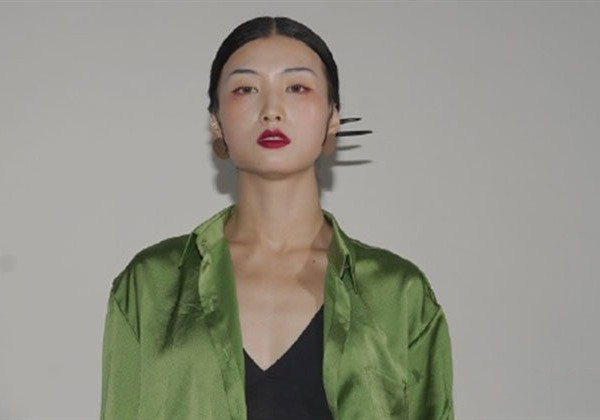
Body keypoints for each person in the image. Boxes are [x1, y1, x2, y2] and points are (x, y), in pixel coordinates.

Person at [101, 16, 454, 420]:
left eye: (297, 87)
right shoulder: (151, 285)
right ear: (216, 121)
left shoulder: (399, 292)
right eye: (246, 89)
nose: (271, 110)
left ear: (333, 117)